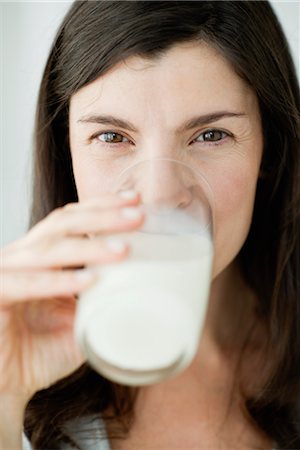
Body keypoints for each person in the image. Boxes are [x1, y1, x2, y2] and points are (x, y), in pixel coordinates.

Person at [1, 1, 299, 449]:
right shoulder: (21, 354)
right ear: (68, 155)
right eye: (112, 137)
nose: (160, 194)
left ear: (269, 151)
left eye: (211, 135)